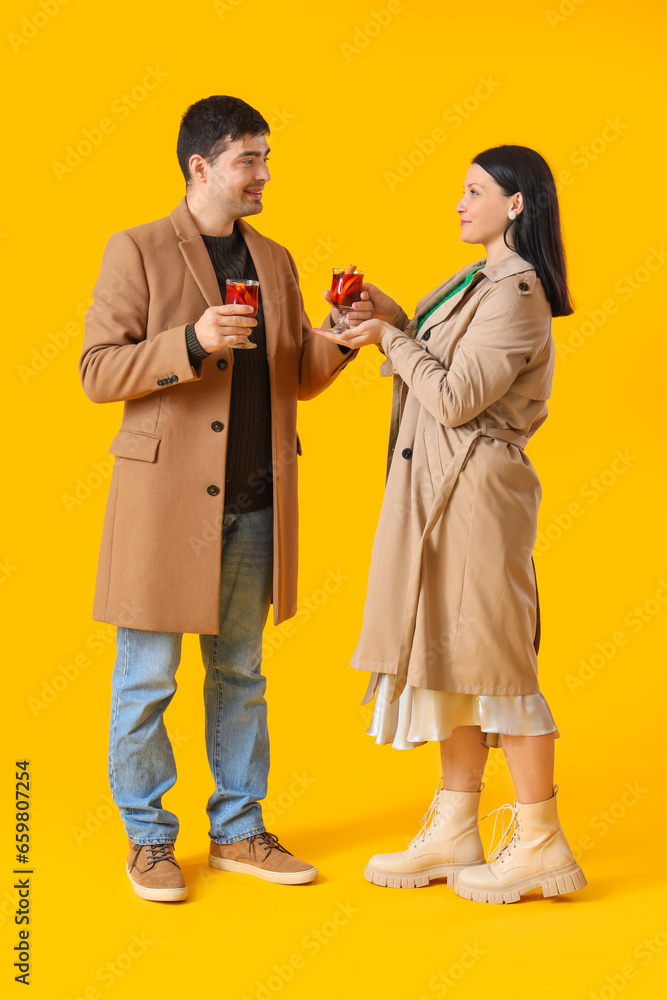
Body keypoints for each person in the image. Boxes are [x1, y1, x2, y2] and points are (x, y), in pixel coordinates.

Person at [79, 95, 367, 902]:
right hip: (164, 508)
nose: (264, 174)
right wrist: (190, 343)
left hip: (253, 499)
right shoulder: (134, 250)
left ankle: (239, 830)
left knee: (239, 672)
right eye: (250, 159)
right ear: (200, 165)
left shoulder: (273, 259)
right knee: (147, 680)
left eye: (266, 158)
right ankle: (148, 841)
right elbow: (98, 369)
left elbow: (297, 378)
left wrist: (339, 340)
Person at [314, 145, 587, 904]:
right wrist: (392, 314)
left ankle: (539, 842)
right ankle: (456, 828)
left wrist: (386, 341)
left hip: (473, 490)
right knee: (448, 657)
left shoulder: (517, 291)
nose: (458, 204)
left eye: (473, 192)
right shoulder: (477, 279)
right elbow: (437, 354)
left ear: (516, 204)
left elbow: (459, 394)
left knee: (495, 659)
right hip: (438, 486)